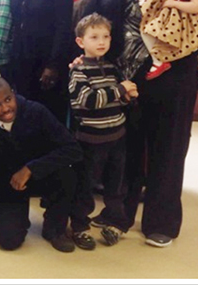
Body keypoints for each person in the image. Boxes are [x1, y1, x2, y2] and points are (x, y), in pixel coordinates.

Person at [82, 0, 195, 247]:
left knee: (167, 154)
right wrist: (82, 61)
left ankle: (162, 223)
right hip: (123, 88)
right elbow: (91, 35)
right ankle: (119, 213)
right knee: (124, 155)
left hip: (170, 87)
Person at [0, 77, 81, 252]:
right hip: (8, 184)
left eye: (7, 100)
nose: (5, 108)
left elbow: (73, 149)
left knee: (68, 173)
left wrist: (31, 169)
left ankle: (55, 228)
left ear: (13, 93)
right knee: (7, 240)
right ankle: (17, 217)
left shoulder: (36, 112)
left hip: (41, 175)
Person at [68, 13, 137, 250]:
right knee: (85, 185)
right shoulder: (78, 70)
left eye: (106, 36)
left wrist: (126, 96)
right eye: (94, 36)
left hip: (117, 137)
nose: (101, 42)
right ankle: (79, 226)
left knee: (116, 185)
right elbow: (87, 100)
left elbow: (116, 101)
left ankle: (115, 222)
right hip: (90, 140)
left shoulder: (111, 67)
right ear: (80, 42)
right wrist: (119, 90)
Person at [8, 0, 74, 124]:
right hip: (23, 61)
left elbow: (64, 26)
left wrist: (53, 66)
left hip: (49, 62)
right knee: (26, 115)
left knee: (50, 116)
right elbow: (16, 23)